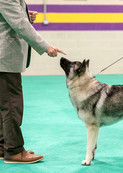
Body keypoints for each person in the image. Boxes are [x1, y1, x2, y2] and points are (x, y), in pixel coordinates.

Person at [0, 0, 66, 163]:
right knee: (11, 105)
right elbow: (20, 24)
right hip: (4, 59)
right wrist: (45, 46)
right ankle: (14, 150)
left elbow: (12, 16)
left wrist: (24, 15)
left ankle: (4, 146)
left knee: (4, 105)